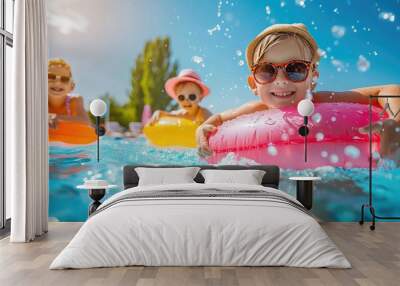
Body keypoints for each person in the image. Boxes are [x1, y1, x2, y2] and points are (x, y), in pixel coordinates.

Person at [196, 23, 400, 160]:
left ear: (313, 77)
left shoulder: (324, 100)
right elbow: (219, 118)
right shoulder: (256, 109)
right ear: (253, 84)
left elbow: (389, 89)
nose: (281, 81)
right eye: (267, 71)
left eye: (295, 69)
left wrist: (395, 122)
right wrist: (202, 128)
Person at [48, 58, 90, 129]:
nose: (57, 82)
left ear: (72, 87)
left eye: (64, 79)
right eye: (51, 77)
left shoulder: (75, 100)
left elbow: (85, 121)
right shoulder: (39, 101)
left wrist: (55, 116)